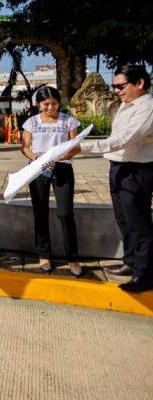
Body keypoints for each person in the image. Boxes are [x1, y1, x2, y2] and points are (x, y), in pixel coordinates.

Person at [80, 65, 153, 292]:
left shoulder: (147, 107)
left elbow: (125, 138)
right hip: (119, 166)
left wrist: (83, 147)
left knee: (138, 222)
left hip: (138, 169)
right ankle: (131, 262)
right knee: (124, 220)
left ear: (140, 83)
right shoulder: (125, 105)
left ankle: (145, 274)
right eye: (115, 87)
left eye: (121, 86)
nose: (117, 91)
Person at [21, 86, 82, 276]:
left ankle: (72, 257)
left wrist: (64, 156)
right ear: (39, 105)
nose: (50, 107)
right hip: (39, 169)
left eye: (54, 103)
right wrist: (37, 159)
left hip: (62, 169)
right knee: (40, 212)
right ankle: (44, 254)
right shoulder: (31, 122)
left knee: (65, 213)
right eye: (46, 104)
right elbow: (25, 148)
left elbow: (76, 147)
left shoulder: (69, 121)